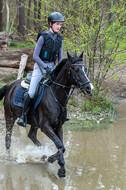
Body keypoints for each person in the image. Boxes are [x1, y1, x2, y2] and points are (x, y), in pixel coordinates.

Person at [17, 12, 65, 127]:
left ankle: (62, 114)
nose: (59, 26)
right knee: (32, 92)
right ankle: (23, 116)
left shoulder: (60, 38)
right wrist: (45, 67)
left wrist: (58, 69)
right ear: (50, 24)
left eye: (60, 25)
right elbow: (35, 56)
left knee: (61, 89)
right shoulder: (43, 37)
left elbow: (60, 57)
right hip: (39, 67)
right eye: (57, 24)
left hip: (52, 68)